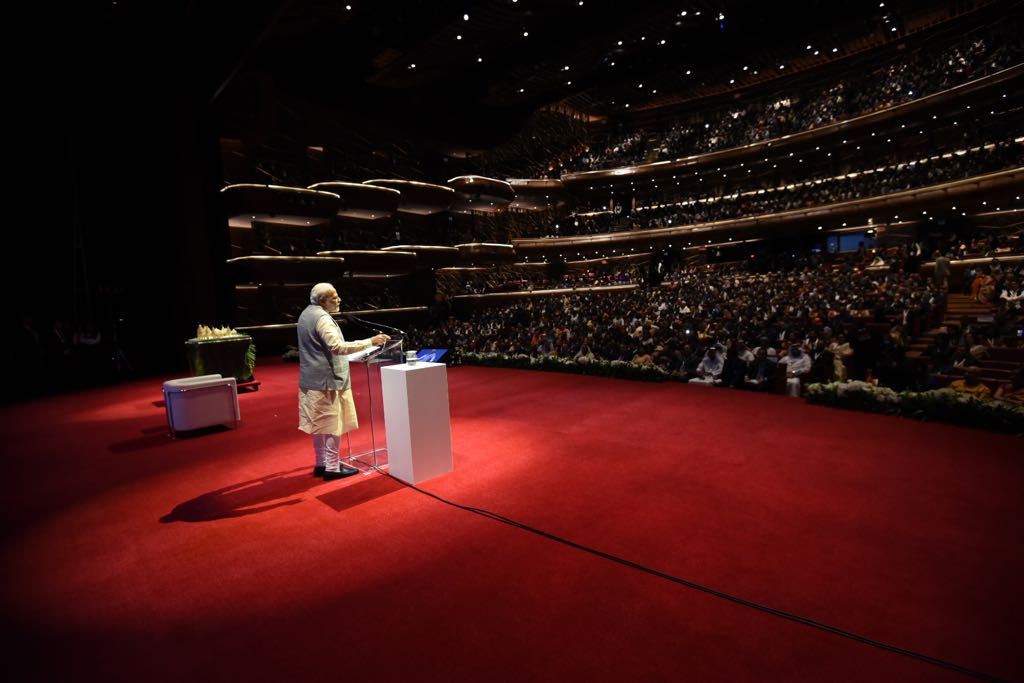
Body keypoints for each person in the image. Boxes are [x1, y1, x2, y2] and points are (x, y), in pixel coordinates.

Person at [298, 283, 390, 480]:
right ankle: (332, 468)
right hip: (328, 382)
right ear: (322, 301)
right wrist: (370, 342)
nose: (339, 300)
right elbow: (337, 347)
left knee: (320, 425)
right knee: (333, 425)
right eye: (334, 298)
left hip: (312, 379)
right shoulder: (322, 318)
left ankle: (321, 463)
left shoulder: (306, 313)